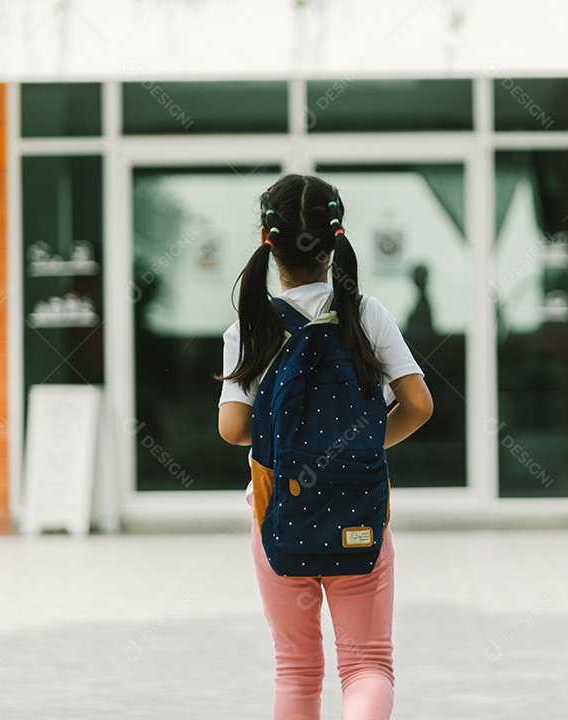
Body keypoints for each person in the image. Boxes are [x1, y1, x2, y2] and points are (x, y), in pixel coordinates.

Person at [216, 174, 433, 720]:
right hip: (359, 510)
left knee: (296, 668)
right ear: (337, 238)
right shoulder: (365, 313)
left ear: (269, 243)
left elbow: (231, 428)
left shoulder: (249, 325)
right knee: (367, 667)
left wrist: (291, 442)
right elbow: (420, 405)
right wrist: (355, 446)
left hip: (276, 511)